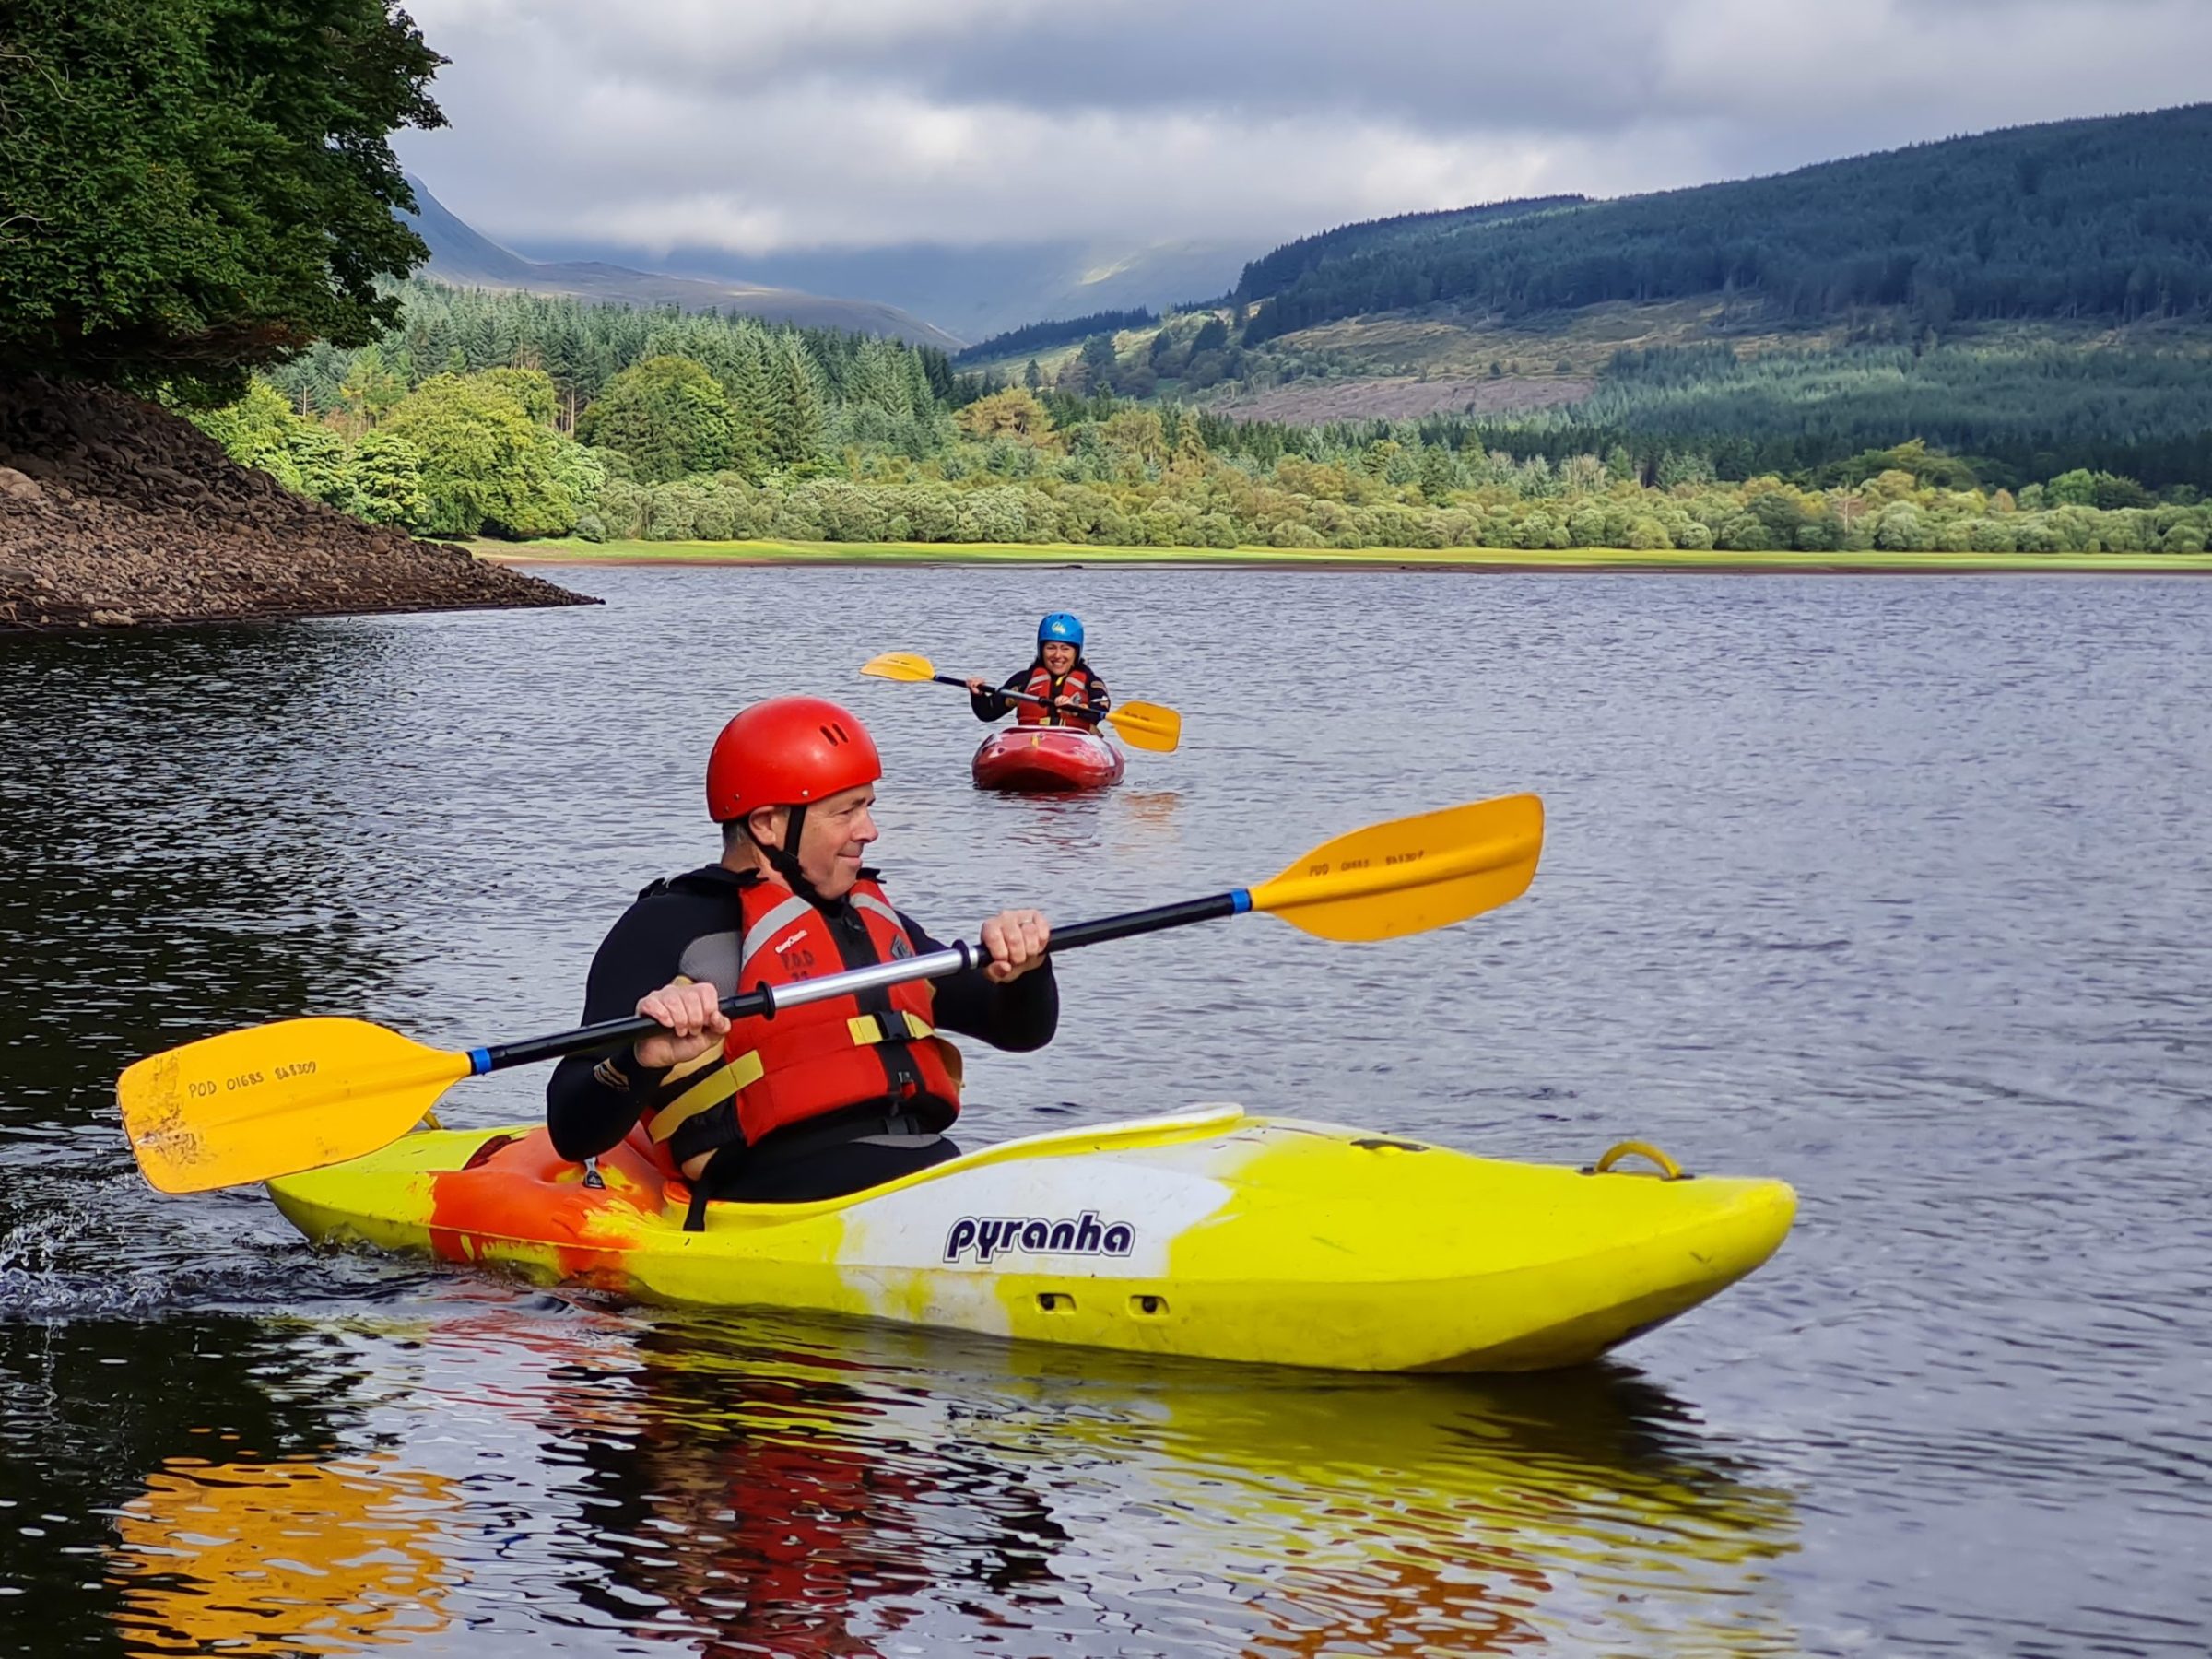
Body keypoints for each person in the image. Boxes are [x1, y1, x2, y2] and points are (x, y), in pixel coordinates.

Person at [546, 696, 1056, 1218]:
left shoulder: (867, 918)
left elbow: (1020, 1031)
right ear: (767, 824)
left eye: (868, 806)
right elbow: (572, 1128)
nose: (869, 830)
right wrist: (641, 1056)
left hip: (929, 1178)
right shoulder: (665, 929)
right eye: (847, 811)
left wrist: (1026, 967)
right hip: (781, 1207)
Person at [967, 612, 1111, 731]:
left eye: (1065, 649)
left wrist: (1076, 709)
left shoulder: (1090, 682)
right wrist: (978, 695)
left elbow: (1100, 709)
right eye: (1051, 648)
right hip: (1033, 742)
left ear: (1076, 653)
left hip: (1077, 744)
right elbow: (988, 712)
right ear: (1041, 650)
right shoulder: (1024, 680)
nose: (1057, 655)